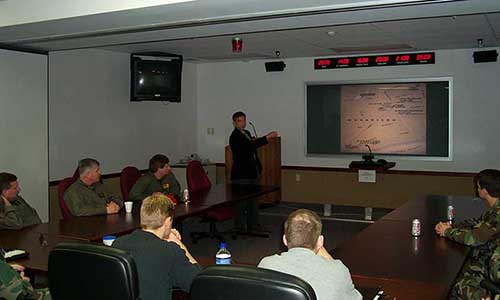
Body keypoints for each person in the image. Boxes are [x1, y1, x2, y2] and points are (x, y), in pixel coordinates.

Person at [258, 209, 362, 300]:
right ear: (320, 241)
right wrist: (320, 247)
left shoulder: (267, 265)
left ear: (285, 239)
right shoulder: (338, 271)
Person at [113, 194, 201, 300]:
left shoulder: (118, 243)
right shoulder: (170, 250)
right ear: (168, 221)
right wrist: (179, 244)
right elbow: (198, 284)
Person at [435, 169, 500, 300]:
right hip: (490, 257)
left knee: (453, 283)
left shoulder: (497, 214)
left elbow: (474, 239)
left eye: (478, 187)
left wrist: (446, 232)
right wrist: (452, 226)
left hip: (490, 263)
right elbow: (478, 222)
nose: (477, 190)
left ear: (485, 191)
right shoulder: (495, 209)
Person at [229, 111, 278, 231]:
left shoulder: (246, 132)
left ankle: (253, 225)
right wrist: (267, 137)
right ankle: (240, 227)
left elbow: (251, 146)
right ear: (234, 123)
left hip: (252, 172)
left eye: (244, 120)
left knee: (253, 200)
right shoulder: (235, 136)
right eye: (240, 121)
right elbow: (249, 146)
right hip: (241, 173)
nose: (243, 123)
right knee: (241, 202)